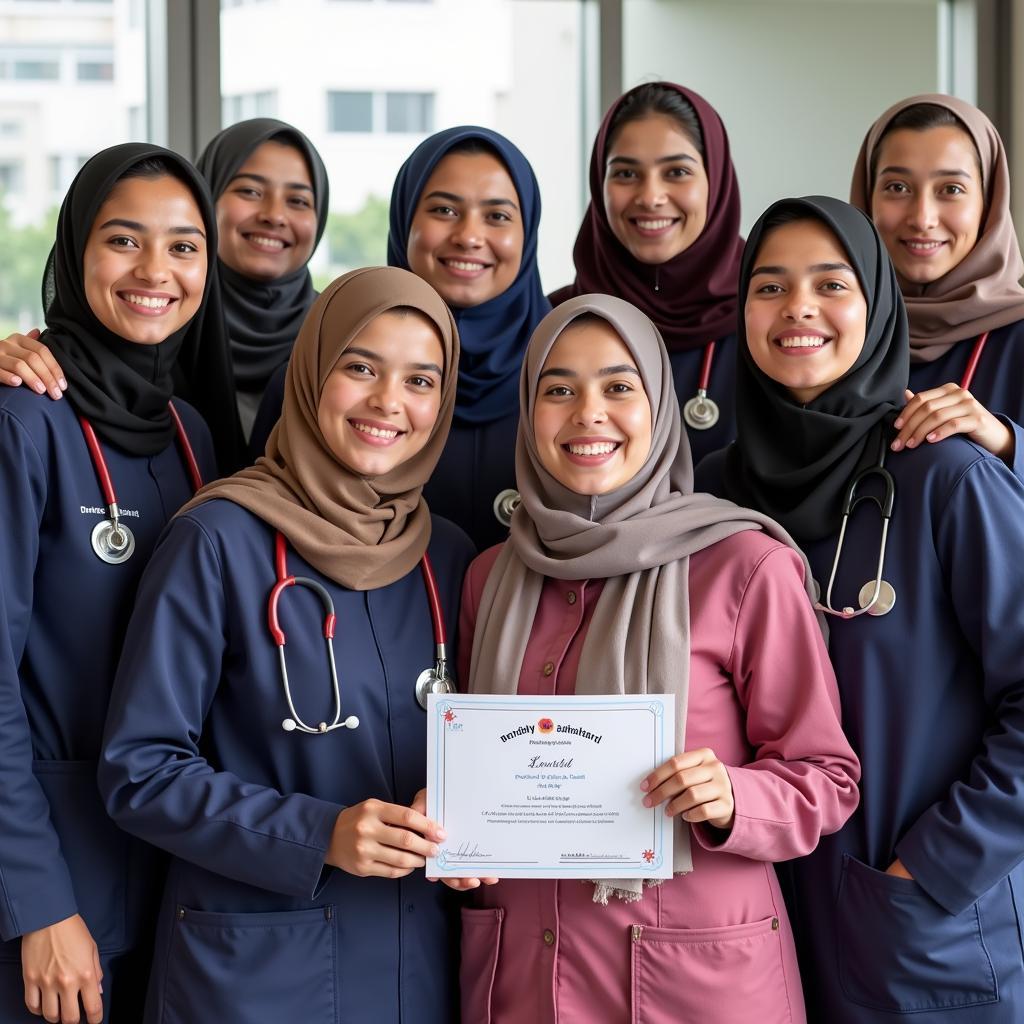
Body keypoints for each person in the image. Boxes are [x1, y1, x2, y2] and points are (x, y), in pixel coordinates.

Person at [453, 293, 860, 1023]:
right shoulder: (491, 577)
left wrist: (737, 797)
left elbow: (826, 779)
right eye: (558, 389)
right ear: (528, 409)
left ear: (660, 406)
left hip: (699, 984)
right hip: (522, 981)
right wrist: (454, 827)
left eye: (618, 386)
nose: (588, 413)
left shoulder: (743, 566)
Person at [98, 266, 474, 1023]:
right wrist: (321, 834)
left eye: (420, 380)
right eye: (360, 367)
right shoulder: (215, 541)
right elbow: (138, 771)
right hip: (251, 977)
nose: (387, 403)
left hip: (416, 973)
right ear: (310, 372)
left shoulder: (453, 558)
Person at [697, 195, 1024, 1021]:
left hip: (916, 927)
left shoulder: (946, 478)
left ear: (875, 306)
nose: (797, 308)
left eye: (830, 283)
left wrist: (933, 868)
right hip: (746, 924)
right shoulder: (708, 496)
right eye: (768, 287)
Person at [0, 144, 219, 1024]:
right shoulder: (23, 420)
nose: (155, 272)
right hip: (49, 888)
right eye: (124, 241)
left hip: (169, 882)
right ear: (75, 250)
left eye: (183, 245)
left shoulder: (191, 433)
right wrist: (39, 902)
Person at [252, 126, 550, 548]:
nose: (468, 236)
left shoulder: (563, 377)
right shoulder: (317, 374)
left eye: (497, 216)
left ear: (529, 232)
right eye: (444, 210)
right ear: (404, 217)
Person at [0, 117, 329, 471]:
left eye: (183, 246)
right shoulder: (31, 396)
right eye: (123, 241)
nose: (274, 215)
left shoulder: (336, 343)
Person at [549, 82, 744, 466]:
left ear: (715, 181)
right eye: (625, 174)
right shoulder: (554, 322)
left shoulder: (767, 321)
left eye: (676, 172)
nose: (650, 196)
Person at [851, 94, 1024, 472]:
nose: (923, 217)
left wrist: (1004, 440)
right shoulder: (834, 326)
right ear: (867, 198)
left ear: (989, 202)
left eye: (952, 189)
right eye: (897, 187)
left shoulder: (1017, 335)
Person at [197, 118, 329, 445]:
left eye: (297, 200)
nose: (274, 215)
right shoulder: (160, 322)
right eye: (250, 191)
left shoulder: (339, 335)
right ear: (206, 198)